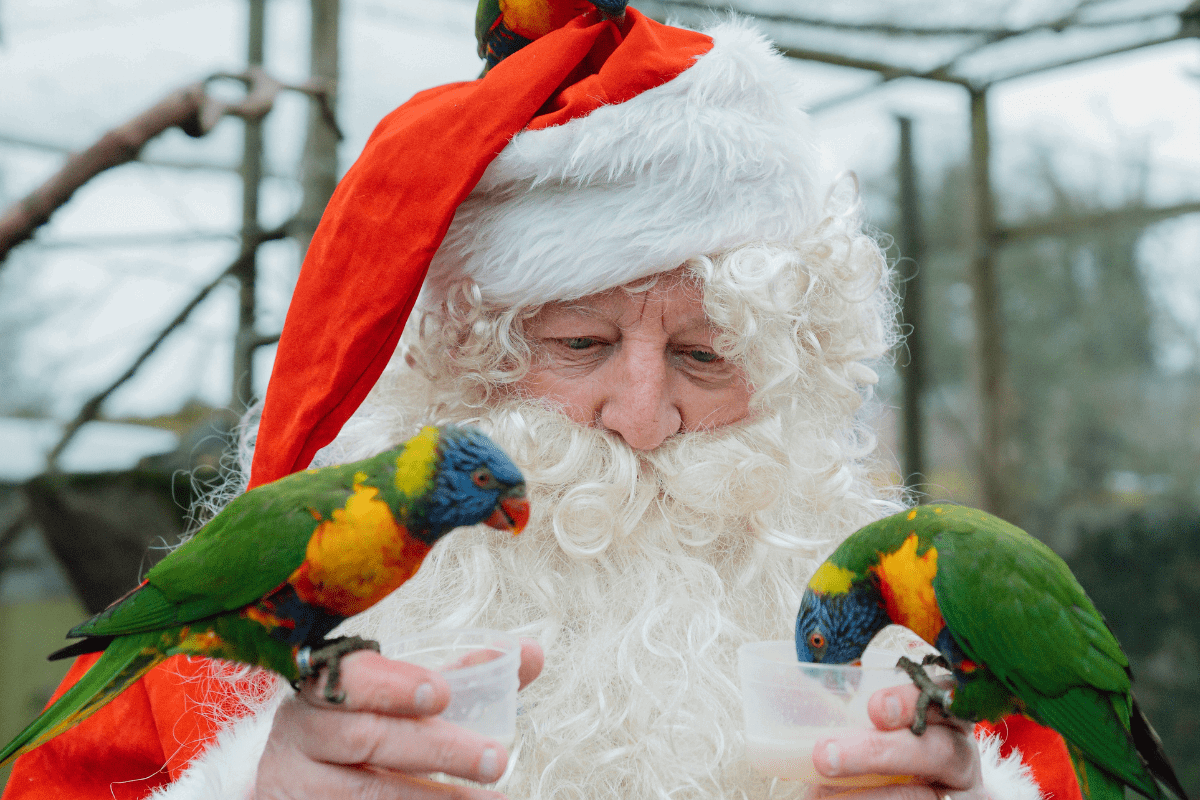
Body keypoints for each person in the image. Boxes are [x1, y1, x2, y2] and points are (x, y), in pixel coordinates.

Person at [3, 8, 1077, 800]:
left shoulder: (948, 665)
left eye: (704, 354)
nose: (640, 415)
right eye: (581, 343)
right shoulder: (227, 646)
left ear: (790, 383)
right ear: (457, 362)